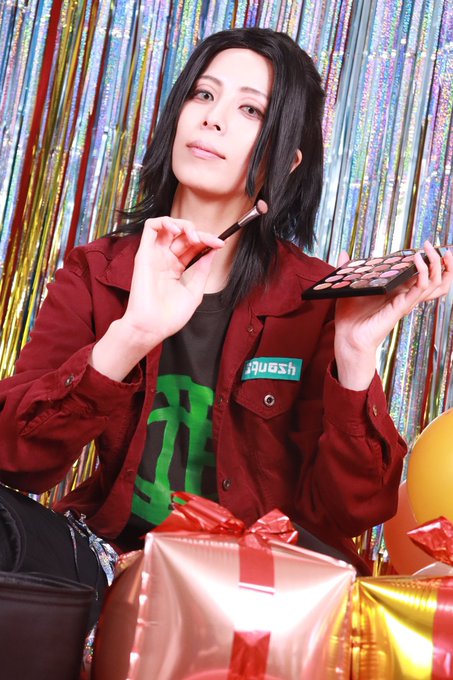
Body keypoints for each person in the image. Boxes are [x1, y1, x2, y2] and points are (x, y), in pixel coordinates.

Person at [0, 27, 452, 624]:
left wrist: (354, 353)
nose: (213, 118)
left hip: (261, 584)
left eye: (250, 109)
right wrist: (132, 334)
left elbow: (351, 511)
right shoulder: (97, 272)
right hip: (114, 560)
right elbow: (17, 460)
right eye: (203, 95)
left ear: (286, 160)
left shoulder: (316, 299)